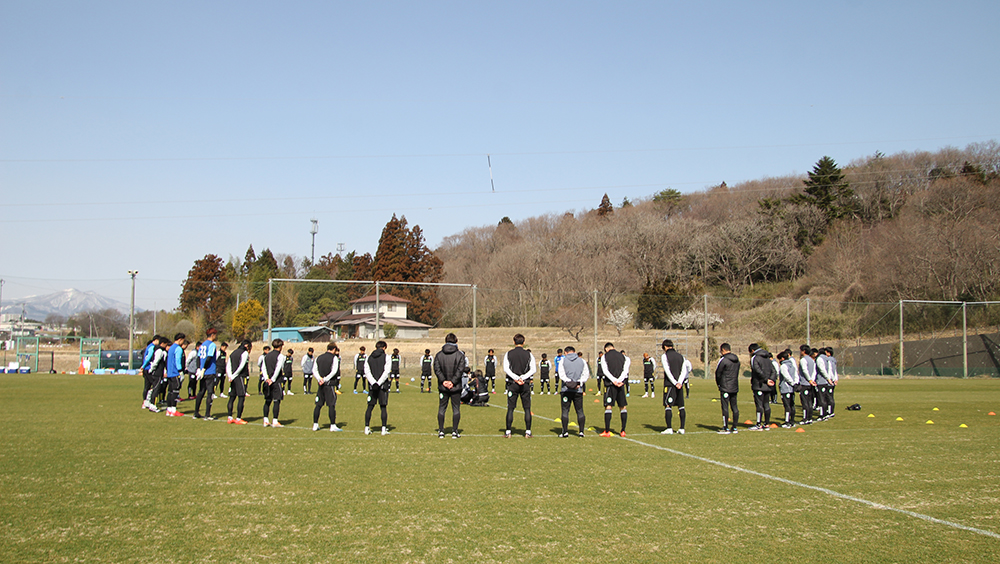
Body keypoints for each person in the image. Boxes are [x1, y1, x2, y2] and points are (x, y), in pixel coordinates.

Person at [433, 333, 467, 438]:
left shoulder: (439, 355)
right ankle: (455, 431)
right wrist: (452, 382)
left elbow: (437, 369)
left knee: (442, 408)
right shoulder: (460, 355)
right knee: (456, 408)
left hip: (443, 387)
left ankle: (441, 430)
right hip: (455, 387)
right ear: (456, 341)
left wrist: (443, 381)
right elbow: (460, 370)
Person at [503, 334, 536, 438]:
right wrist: (523, 377)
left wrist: (516, 378)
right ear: (524, 342)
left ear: (514, 342)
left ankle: (508, 431)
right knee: (527, 408)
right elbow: (533, 369)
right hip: (525, 384)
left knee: (510, 408)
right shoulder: (529, 354)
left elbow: (506, 369)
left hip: (513, 384)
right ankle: (528, 432)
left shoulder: (508, 354)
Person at [600, 342, 631, 437]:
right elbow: (626, 370)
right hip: (620, 385)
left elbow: (605, 371)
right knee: (623, 407)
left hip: (610, 385)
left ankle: (607, 431)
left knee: (608, 406)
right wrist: (620, 380)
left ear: (606, 349)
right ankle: (623, 430)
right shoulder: (625, 357)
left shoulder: (604, 357)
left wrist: (614, 381)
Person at [557, 345, 589, 438]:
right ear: (574, 352)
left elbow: (561, 374)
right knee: (580, 410)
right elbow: (585, 374)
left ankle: (565, 432)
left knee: (565, 410)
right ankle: (581, 431)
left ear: (565, 352)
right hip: (578, 390)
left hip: (566, 389)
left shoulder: (563, 360)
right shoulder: (582, 361)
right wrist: (579, 383)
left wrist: (569, 383)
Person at [660, 339, 691, 435]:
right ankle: (682, 428)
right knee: (681, 406)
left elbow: (667, 370)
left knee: (668, 405)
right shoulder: (681, 356)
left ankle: (669, 428)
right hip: (679, 385)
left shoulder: (665, 356)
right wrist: (680, 382)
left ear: (665, 347)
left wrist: (674, 382)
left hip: (670, 384)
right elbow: (684, 370)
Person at [312, 342, 343, 432]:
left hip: (321, 384)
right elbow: (334, 371)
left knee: (318, 405)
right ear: (334, 349)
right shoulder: (334, 358)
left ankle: (315, 424)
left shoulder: (318, 357)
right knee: (331, 405)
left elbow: (314, 370)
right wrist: (325, 379)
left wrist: (319, 379)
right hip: (330, 384)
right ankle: (332, 425)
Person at [363, 340, 392, 435]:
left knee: (370, 406)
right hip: (382, 386)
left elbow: (367, 371)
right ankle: (383, 429)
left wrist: (373, 383)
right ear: (384, 348)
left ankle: (367, 427)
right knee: (383, 407)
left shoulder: (368, 358)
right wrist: (379, 383)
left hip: (372, 386)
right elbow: (386, 371)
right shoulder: (387, 357)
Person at [193, 328, 220, 420]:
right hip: (209, 371)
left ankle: (196, 413)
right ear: (212, 335)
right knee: (210, 393)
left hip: (202, 373)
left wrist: (199, 368)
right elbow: (209, 357)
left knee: (201, 392)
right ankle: (207, 414)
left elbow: (198, 357)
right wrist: (204, 368)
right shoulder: (212, 345)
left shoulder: (202, 345)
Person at [748, 343, 775, 431]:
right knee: (766, 404)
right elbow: (773, 370)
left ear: (752, 350)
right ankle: (766, 424)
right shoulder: (767, 358)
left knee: (759, 404)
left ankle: (759, 424)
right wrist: (771, 379)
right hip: (768, 385)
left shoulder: (755, 358)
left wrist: (766, 380)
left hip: (759, 384)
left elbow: (757, 370)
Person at [715, 343, 741, 434]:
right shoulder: (737, 360)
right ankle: (734, 427)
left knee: (725, 407)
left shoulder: (723, 360)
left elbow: (718, 373)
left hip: (725, 386)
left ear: (723, 350)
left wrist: (719, 384)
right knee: (734, 406)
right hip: (734, 386)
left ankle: (725, 427)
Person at [226, 339, 252, 424]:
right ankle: (238, 418)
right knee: (241, 397)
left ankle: (230, 417)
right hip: (240, 377)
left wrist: (230, 376)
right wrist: (233, 376)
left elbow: (228, 365)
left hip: (233, 377)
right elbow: (241, 366)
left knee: (232, 397)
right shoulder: (244, 353)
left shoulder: (233, 353)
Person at [261, 339, 286, 428]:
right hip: (276, 381)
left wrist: (266, 378)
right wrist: (272, 379)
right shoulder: (280, 356)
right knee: (276, 401)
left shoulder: (266, 356)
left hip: (267, 381)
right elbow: (278, 368)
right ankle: (275, 421)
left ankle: (265, 420)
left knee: (267, 401)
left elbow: (263, 368)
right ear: (280, 346)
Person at [164, 333, 187, 417]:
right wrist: (180, 371)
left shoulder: (171, 348)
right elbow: (178, 361)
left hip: (170, 373)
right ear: (180, 339)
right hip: (175, 373)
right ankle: (173, 410)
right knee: (175, 391)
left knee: (170, 392)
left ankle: (169, 410)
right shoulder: (178, 348)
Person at [144, 338, 168, 412]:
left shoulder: (158, 350)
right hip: (157, 372)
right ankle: (152, 404)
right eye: (166, 344)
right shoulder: (159, 351)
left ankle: (148, 402)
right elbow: (156, 361)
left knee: (154, 387)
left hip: (157, 372)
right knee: (156, 388)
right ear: (162, 343)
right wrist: (152, 369)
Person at [777, 349, 798, 428]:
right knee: (792, 405)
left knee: (787, 405)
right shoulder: (792, 365)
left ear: (782, 358)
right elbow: (796, 375)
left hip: (786, 388)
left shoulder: (783, 366)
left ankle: (787, 421)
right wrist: (795, 383)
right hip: (791, 388)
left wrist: (792, 383)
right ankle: (792, 421)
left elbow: (786, 376)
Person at [140, 335, 162, 410]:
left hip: (146, 369)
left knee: (147, 386)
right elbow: (149, 357)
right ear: (156, 340)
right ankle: (148, 402)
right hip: (148, 368)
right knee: (153, 385)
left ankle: (145, 402)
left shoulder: (148, 346)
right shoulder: (152, 347)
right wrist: (144, 365)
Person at [797, 344, 816, 424]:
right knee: (809, 401)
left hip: (805, 383)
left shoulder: (803, 360)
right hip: (810, 384)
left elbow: (805, 370)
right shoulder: (812, 360)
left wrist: (809, 380)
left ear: (803, 351)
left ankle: (805, 418)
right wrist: (812, 380)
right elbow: (814, 371)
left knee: (805, 402)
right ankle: (810, 417)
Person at [824, 348, 838, 417]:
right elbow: (835, 370)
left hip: (830, 381)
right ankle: (830, 411)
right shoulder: (833, 360)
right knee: (830, 396)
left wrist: (830, 379)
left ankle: (830, 412)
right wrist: (836, 379)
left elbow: (830, 370)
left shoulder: (829, 360)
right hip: (832, 380)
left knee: (829, 397)